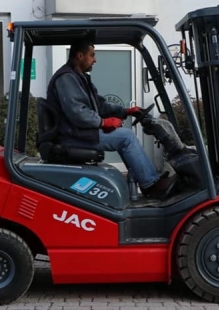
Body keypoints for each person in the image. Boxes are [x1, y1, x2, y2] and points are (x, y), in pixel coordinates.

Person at [46, 40, 177, 198]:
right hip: (72, 136)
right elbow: (77, 112)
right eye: (92, 55)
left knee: (124, 136)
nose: (95, 60)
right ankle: (150, 185)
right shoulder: (66, 78)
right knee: (126, 137)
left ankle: (144, 181)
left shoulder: (79, 78)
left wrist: (126, 111)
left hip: (79, 133)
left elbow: (99, 105)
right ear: (80, 56)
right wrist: (103, 122)